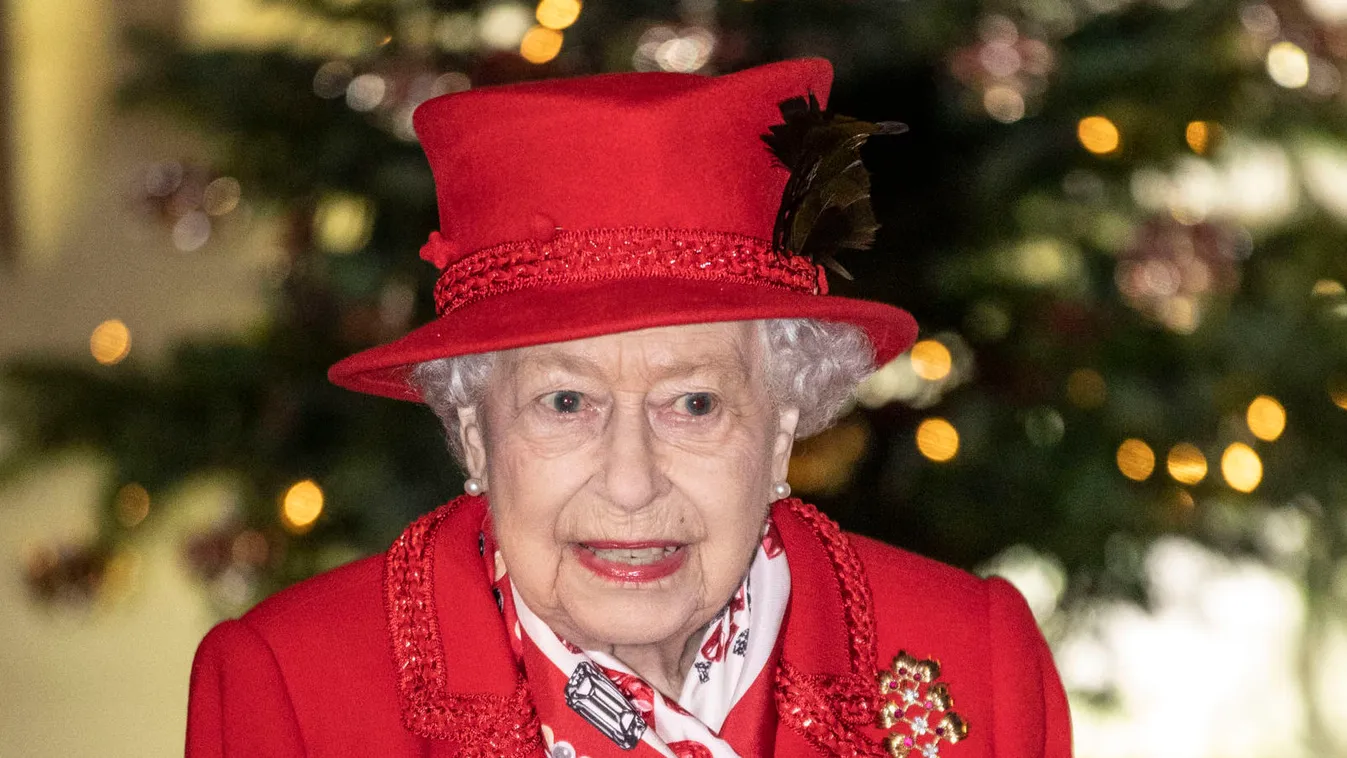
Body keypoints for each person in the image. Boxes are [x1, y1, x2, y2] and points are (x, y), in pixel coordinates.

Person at [186, 58, 1071, 758]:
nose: (631, 481)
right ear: (473, 435)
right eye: (564, 402)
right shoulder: (293, 688)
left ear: (780, 429)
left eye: (693, 402)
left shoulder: (973, 659)